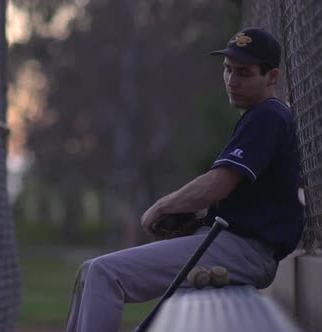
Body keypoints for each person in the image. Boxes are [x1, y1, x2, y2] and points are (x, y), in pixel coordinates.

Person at [65, 27, 304, 332]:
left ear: (271, 77)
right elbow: (246, 197)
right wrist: (198, 216)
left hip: (244, 249)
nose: (232, 80)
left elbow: (218, 184)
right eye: (228, 70)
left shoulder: (268, 116)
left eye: (244, 72)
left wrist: (162, 207)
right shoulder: (262, 115)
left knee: (104, 273)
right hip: (232, 244)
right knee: (90, 272)